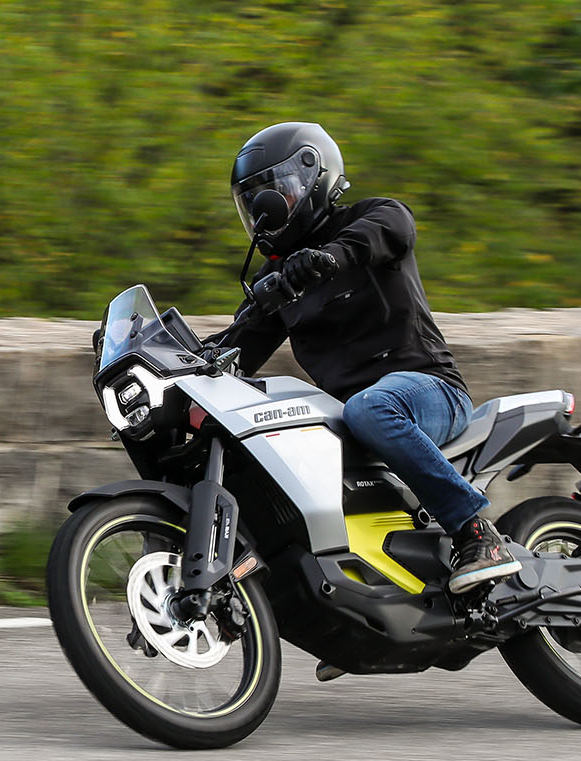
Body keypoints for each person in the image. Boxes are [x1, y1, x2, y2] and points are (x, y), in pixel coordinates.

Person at [206, 122, 520, 593]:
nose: (263, 210)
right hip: (353, 421)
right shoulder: (281, 282)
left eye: (275, 192)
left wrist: (328, 258)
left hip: (426, 387)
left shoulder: (373, 218)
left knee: (370, 407)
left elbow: (390, 230)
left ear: (314, 176)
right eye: (253, 200)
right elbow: (232, 350)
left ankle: (475, 530)